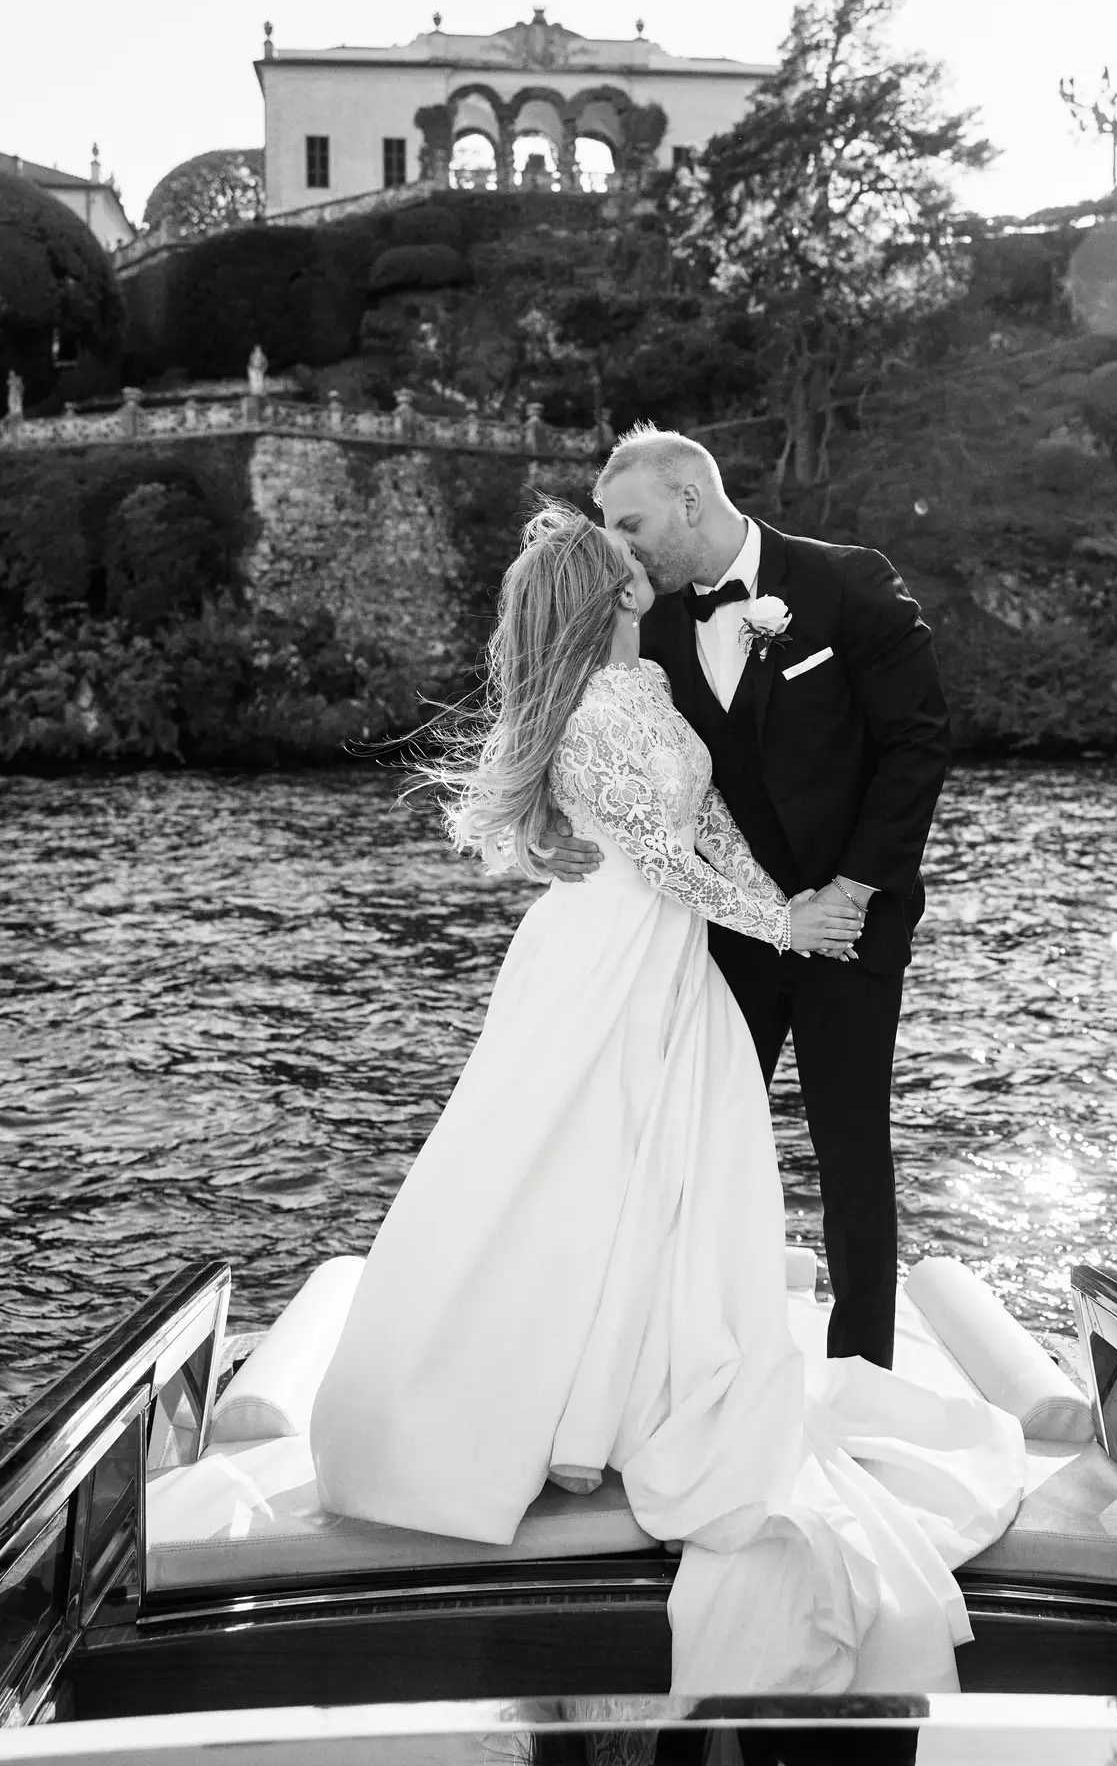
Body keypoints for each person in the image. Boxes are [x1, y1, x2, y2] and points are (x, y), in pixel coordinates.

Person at [310, 500, 1023, 1700]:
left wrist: (796, 902)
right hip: (612, 953)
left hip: (669, 951)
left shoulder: (639, 687)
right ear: (609, 596)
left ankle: (612, 1385)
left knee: (659, 1176)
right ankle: (538, 1406)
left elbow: (716, 835)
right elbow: (656, 857)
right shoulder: (595, 710)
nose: (638, 559)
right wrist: (784, 918)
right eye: (621, 558)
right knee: (569, 1170)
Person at [541, 426, 949, 1372]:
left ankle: (862, 1371)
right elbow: (598, 740)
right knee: (697, 1143)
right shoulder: (645, 624)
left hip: (849, 922)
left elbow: (917, 745)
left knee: (852, 1148)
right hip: (722, 930)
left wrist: (850, 891)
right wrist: (550, 820)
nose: (621, 545)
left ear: (690, 500)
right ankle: (680, 1357)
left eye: (631, 521)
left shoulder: (847, 584)